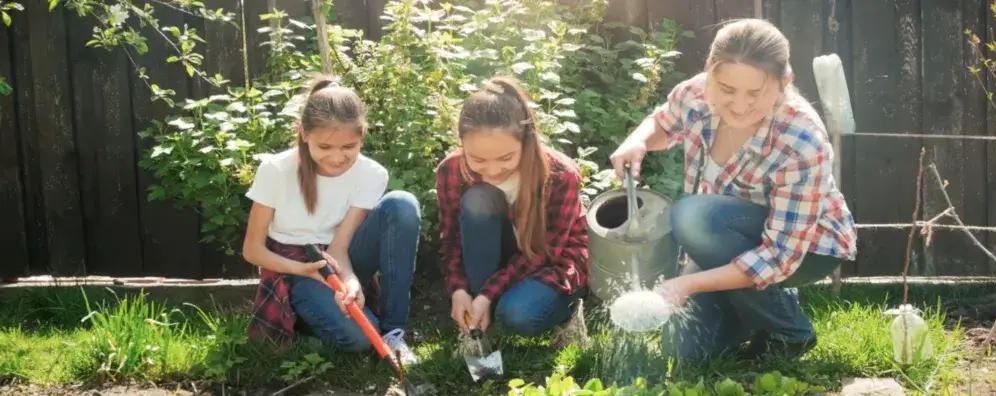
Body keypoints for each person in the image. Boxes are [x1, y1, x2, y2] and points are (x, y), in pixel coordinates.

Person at [609, 18, 857, 362]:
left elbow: (779, 256)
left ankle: (788, 330)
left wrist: (686, 284)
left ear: (784, 82)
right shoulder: (695, 95)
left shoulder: (801, 141)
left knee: (692, 217)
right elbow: (663, 124)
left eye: (755, 93)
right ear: (709, 71)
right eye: (727, 89)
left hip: (806, 249)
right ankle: (749, 312)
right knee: (684, 352)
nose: (739, 105)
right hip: (725, 237)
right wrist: (637, 141)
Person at [242, 75, 421, 366]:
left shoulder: (372, 174)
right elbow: (252, 250)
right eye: (325, 147)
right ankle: (302, 317)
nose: (337, 158)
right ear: (303, 133)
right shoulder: (275, 170)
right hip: (295, 269)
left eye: (349, 147)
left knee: (401, 204)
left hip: (339, 259)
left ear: (363, 136)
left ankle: (394, 332)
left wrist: (349, 282)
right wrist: (306, 270)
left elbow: (339, 248)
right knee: (360, 339)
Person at [435, 75, 590, 346]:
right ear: (462, 144)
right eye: (477, 159)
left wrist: (487, 294)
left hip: (550, 262)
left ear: (525, 142)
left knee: (518, 315)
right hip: (496, 258)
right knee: (479, 199)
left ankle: (569, 310)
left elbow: (545, 253)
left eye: (506, 158)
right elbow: (452, 241)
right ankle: (479, 324)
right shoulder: (451, 170)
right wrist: (458, 289)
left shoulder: (560, 175)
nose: (493, 170)